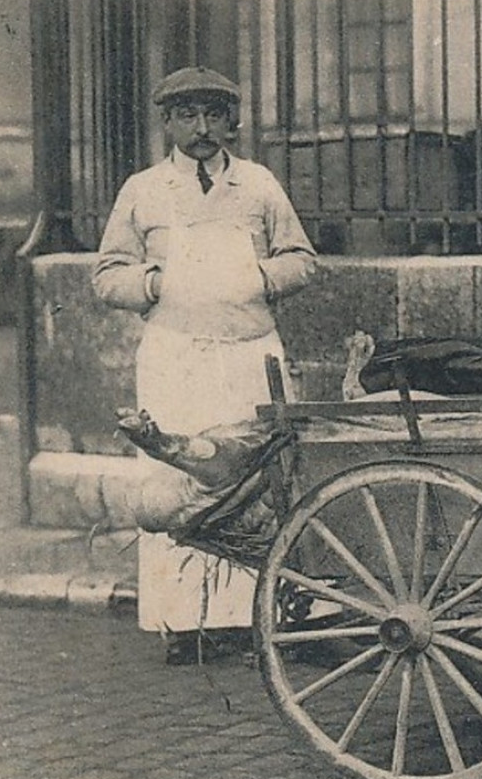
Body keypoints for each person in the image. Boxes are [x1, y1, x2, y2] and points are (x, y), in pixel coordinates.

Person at [94, 66, 317, 665]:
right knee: (177, 483)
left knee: (256, 483)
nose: (202, 129)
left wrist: (258, 276)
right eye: (188, 116)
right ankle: (184, 624)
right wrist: (156, 281)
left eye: (214, 116)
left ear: (230, 122)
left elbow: (302, 259)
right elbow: (107, 274)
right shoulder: (143, 190)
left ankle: (255, 618)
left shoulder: (259, 185)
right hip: (176, 357)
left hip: (248, 353)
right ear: (167, 122)